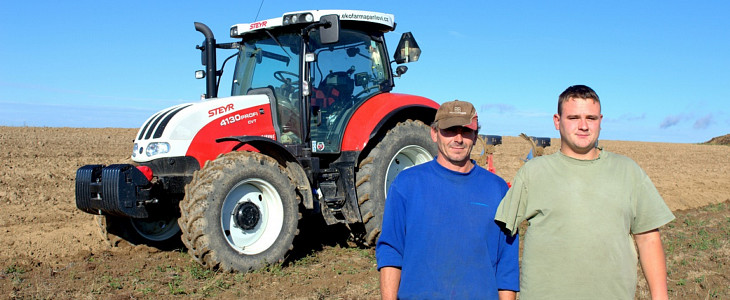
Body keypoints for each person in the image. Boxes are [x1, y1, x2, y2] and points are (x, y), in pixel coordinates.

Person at [495, 85, 675, 299]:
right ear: (557, 121)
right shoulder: (533, 173)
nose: (583, 126)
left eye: (591, 118)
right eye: (573, 118)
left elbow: (648, 239)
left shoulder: (628, 171)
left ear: (601, 120)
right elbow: (503, 238)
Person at [376, 100, 519, 300]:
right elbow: (391, 250)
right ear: (434, 133)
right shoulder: (407, 184)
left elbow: (506, 263)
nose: (458, 138)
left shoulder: (497, 189)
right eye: (450, 130)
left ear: (476, 136)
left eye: (466, 131)